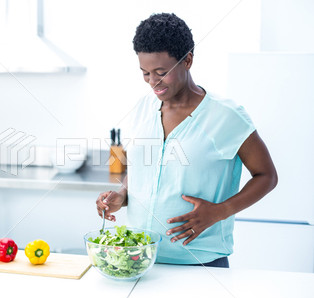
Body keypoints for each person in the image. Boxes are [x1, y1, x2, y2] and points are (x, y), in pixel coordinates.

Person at [95, 13, 278, 268]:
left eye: (161, 72)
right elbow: (143, 169)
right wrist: (123, 195)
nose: (152, 82)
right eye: (145, 73)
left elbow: (267, 176)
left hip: (201, 263)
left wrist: (220, 211)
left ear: (188, 60)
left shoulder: (225, 116)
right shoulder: (143, 108)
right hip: (140, 259)